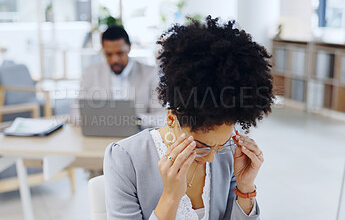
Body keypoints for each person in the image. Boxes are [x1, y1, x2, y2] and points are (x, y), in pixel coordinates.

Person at [104, 16, 274, 220]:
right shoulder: (125, 159)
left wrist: (245, 188)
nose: (212, 157)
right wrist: (170, 196)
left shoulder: (228, 155)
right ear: (171, 118)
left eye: (220, 145)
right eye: (202, 146)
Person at [71, 26, 165, 127]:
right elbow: (75, 115)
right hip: (100, 137)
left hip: (137, 136)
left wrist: (136, 120)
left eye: (120, 53)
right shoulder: (90, 74)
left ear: (129, 47)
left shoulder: (151, 74)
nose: (114, 60)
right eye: (109, 54)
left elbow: (163, 117)